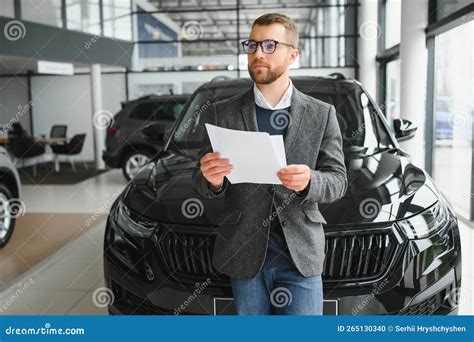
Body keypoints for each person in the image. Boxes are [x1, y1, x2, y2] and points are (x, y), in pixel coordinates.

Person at [192, 13, 347, 315]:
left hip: (299, 256)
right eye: (252, 45)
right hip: (244, 256)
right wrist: (210, 179)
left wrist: (310, 182)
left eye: (269, 45)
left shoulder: (321, 114)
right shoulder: (221, 113)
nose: (258, 53)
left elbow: (338, 181)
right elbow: (199, 179)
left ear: (293, 54)